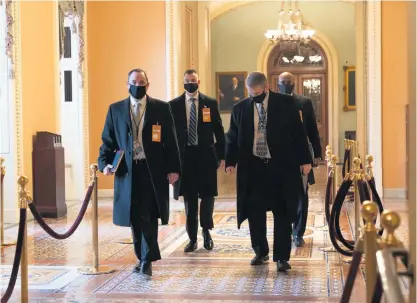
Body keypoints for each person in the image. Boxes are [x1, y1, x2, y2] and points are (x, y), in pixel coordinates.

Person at [225, 71, 312, 272]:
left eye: (257, 93)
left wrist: (305, 160)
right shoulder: (240, 108)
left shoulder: (285, 104)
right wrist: (230, 160)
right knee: (255, 212)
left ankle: (281, 257)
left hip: (280, 167)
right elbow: (232, 136)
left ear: (266, 88)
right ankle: (260, 251)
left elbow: (298, 133)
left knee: (282, 212)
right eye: (250, 94)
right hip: (253, 168)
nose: (254, 98)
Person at [98, 68, 181, 276]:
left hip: (152, 171)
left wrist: (174, 169)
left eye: (142, 81)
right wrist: (104, 164)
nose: (138, 85)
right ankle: (141, 255)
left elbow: (171, 141)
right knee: (134, 217)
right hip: (127, 172)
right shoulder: (115, 109)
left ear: (148, 84)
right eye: (134, 82)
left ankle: (146, 259)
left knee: (150, 215)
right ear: (127, 85)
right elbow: (108, 141)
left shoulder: (161, 108)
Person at [169, 69, 225, 252]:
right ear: (183, 82)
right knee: (190, 201)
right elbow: (170, 135)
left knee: (207, 198)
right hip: (184, 159)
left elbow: (218, 129)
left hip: (206, 158)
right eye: (187, 80)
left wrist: (222, 155)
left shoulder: (210, 102)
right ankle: (192, 238)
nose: (190, 83)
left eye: (193, 80)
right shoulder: (173, 105)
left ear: (198, 81)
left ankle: (207, 232)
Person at [278, 72, 322, 247]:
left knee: (302, 196)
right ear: (278, 83)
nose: (286, 84)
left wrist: (317, 154)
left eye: (289, 82)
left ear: (294, 83)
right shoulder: (273, 102)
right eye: (283, 82)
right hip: (280, 158)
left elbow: (312, 130)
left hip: (301, 156)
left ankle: (299, 233)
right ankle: (285, 230)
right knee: (282, 196)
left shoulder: (304, 102)